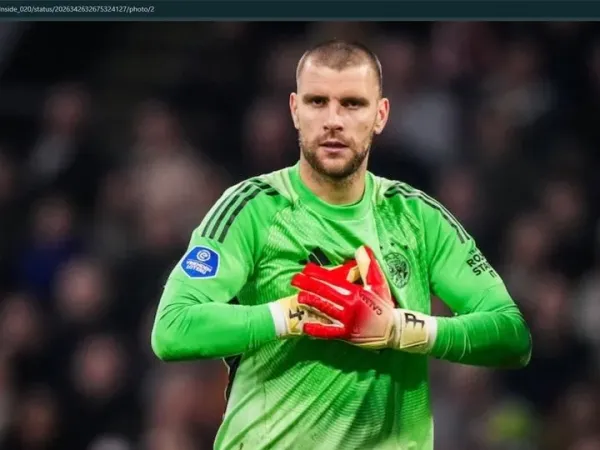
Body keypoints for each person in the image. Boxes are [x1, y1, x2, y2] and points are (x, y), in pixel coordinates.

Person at [151, 39, 532, 450]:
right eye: (317, 102)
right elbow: (172, 329)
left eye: (352, 104)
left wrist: (398, 329)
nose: (333, 120)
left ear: (380, 115)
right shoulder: (253, 208)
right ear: (295, 110)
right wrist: (294, 314)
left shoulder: (418, 217)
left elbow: (512, 336)